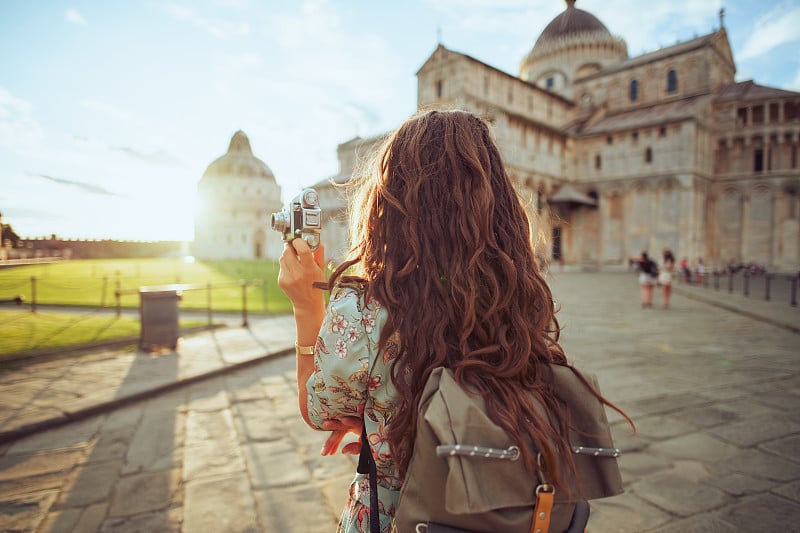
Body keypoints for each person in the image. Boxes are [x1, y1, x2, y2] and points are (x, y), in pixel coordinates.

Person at [278, 110, 629, 532]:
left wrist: (306, 306)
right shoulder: (515, 295)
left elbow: (319, 409)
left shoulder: (365, 311)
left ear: (392, 202)